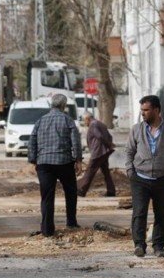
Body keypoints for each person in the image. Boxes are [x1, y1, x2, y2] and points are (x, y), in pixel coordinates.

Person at [126, 94, 164, 258]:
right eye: (142, 110)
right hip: (140, 178)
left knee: (162, 213)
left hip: (162, 178)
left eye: (146, 110)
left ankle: (159, 246)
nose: (143, 113)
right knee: (139, 213)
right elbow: (129, 151)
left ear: (156, 110)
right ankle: (139, 245)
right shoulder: (136, 129)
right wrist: (130, 171)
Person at [28, 93, 84, 237]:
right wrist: (78, 160)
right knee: (70, 193)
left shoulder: (40, 121)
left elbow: (32, 141)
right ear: (64, 106)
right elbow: (76, 142)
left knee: (47, 196)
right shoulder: (68, 120)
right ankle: (71, 222)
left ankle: (47, 230)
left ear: (51, 105)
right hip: (64, 162)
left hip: (44, 164)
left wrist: (33, 160)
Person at [77, 113, 116, 197]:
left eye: (85, 121)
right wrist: (109, 145)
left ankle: (82, 190)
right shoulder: (100, 123)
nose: (85, 123)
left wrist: (109, 144)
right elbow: (110, 136)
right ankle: (111, 190)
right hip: (104, 152)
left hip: (98, 152)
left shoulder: (93, 124)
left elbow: (99, 136)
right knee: (106, 172)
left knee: (90, 170)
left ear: (88, 118)